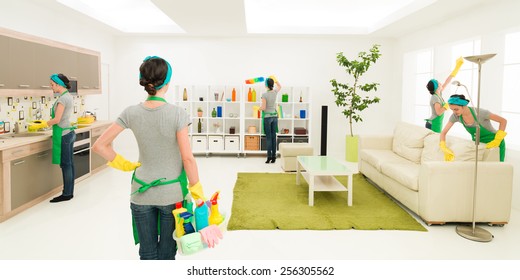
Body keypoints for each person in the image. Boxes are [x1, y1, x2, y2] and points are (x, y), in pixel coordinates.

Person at [92, 56, 206, 260]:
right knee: (167, 251)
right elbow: (187, 159)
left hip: (140, 191)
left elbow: (100, 145)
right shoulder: (177, 114)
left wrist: (125, 165)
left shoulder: (131, 112)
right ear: (167, 82)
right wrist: (198, 193)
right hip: (172, 196)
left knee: (147, 252)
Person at [439, 94, 507, 162]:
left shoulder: (480, 113)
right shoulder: (455, 116)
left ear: (464, 106)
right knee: (481, 169)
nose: (454, 112)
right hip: (479, 145)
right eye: (452, 109)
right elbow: (443, 133)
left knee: (497, 168)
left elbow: (503, 121)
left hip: (494, 143)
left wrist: (497, 140)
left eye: (456, 109)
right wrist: (444, 148)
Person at [47, 73, 77, 203]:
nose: (51, 87)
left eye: (52, 85)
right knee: (69, 164)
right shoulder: (68, 97)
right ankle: (69, 191)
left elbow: (57, 120)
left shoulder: (62, 99)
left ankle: (66, 194)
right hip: (69, 132)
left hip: (64, 134)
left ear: (59, 84)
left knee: (65, 165)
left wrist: (44, 123)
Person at [425, 57, 464, 132]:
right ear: (437, 87)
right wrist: (447, 105)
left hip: (436, 123)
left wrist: (457, 67)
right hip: (433, 123)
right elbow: (439, 112)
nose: (441, 83)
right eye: (438, 83)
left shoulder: (439, 93)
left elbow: (447, 81)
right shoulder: (435, 98)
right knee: (434, 142)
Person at [260, 76, 282, 164]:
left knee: (268, 138)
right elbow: (280, 86)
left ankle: (269, 157)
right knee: (274, 137)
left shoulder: (264, 95)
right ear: (272, 84)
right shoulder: (275, 92)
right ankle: (274, 157)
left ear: (266, 85)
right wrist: (275, 80)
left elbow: (264, 107)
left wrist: (259, 108)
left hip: (267, 117)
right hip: (274, 117)